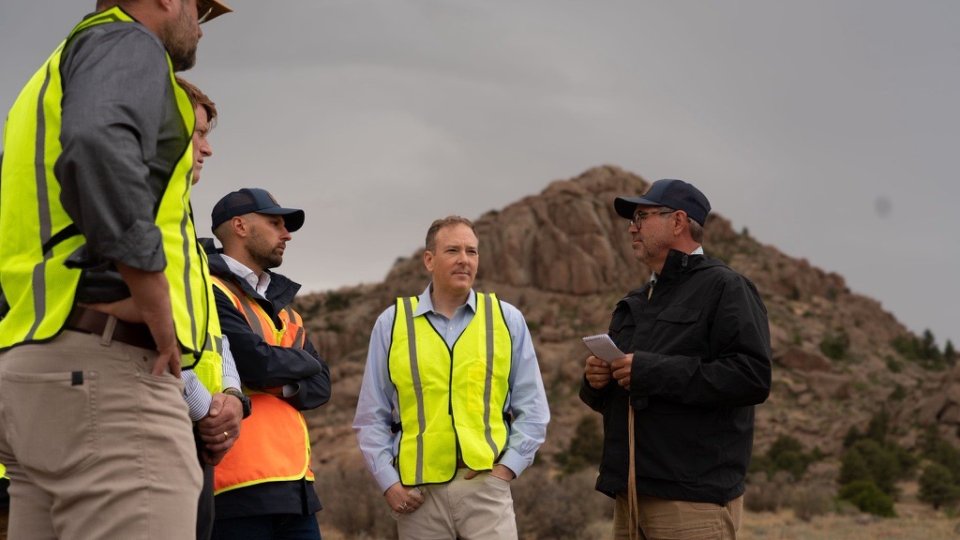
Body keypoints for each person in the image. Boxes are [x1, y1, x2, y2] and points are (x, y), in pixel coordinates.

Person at [0, 1, 233, 538]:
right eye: (199, 7)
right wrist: (151, 293)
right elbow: (97, 143)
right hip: (108, 378)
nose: (201, 24)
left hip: (36, 370)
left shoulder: (50, 75)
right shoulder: (126, 45)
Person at [579, 179, 772, 540]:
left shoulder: (726, 288)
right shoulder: (634, 301)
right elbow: (619, 396)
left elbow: (752, 376)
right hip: (629, 496)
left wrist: (650, 371)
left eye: (642, 216)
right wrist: (595, 381)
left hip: (692, 501)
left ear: (679, 221)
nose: (631, 227)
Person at [354, 216, 551, 540]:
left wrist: (506, 470)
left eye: (471, 251)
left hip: (486, 488)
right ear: (429, 260)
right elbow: (370, 415)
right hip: (418, 497)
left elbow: (533, 408)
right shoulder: (392, 323)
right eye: (453, 250)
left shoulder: (507, 319)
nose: (464, 259)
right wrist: (389, 483)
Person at [207, 188, 331, 540]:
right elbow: (254, 364)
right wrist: (303, 362)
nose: (286, 234)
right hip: (235, 488)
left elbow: (322, 385)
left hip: (298, 489)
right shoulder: (210, 290)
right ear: (240, 226)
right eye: (274, 223)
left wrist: (281, 380)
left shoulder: (285, 310)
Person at [177, 76, 250, 540]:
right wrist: (206, 408)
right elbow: (144, 331)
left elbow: (211, 339)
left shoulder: (186, 229)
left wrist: (233, 399)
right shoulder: (143, 213)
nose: (207, 149)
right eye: (198, 133)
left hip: (198, 440)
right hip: (169, 424)